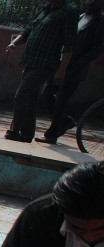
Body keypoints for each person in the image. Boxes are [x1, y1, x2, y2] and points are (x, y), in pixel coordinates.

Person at [4, 0, 77, 143]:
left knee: (22, 96)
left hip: (46, 63)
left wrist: (61, 71)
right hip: (31, 60)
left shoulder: (68, 12)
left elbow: (70, 44)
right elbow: (28, 30)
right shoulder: (46, 9)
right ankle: (26, 135)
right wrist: (14, 43)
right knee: (30, 98)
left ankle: (14, 132)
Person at [37, 0, 104, 144]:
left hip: (75, 68)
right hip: (61, 62)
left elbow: (98, 47)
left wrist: (80, 60)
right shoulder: (80, 17)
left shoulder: (100, 20)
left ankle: (52, 134)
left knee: (61, 100)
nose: (92, 2)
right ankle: (65, 121)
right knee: (47, 94)